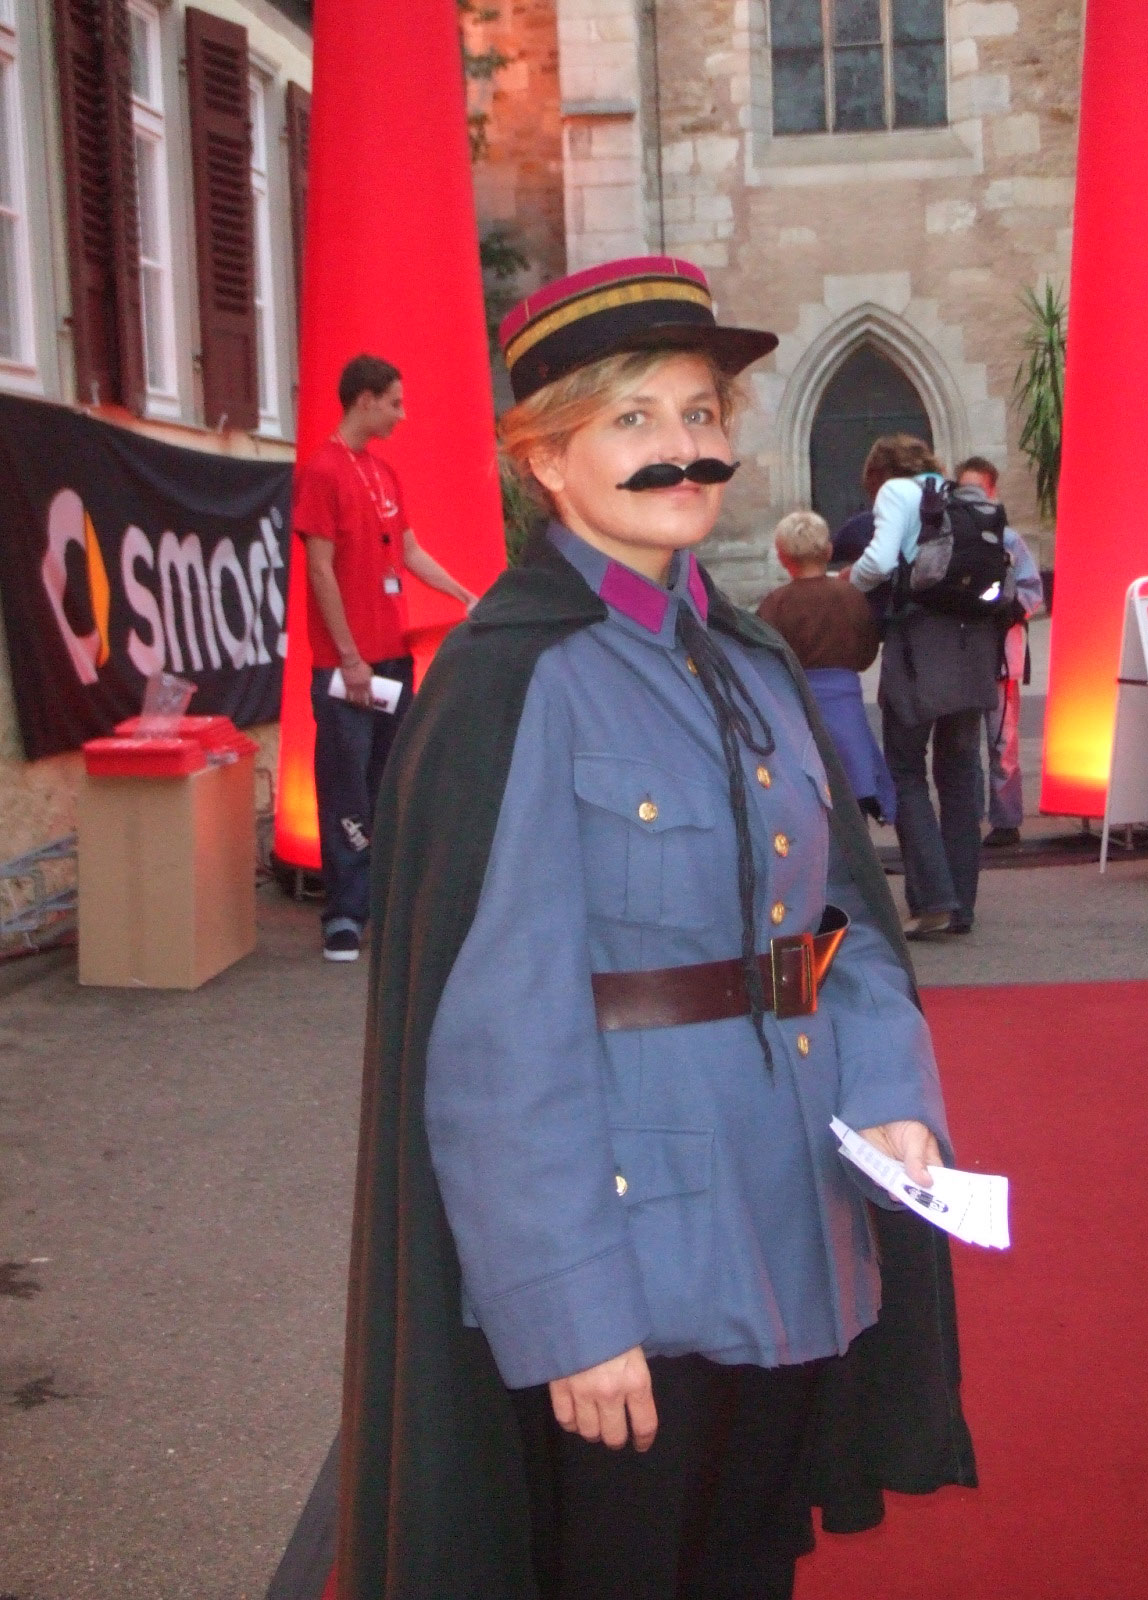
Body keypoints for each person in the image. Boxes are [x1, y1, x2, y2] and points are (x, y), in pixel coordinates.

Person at [335, 259, 974, 1600]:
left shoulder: (750, 664)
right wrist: (570, 1309)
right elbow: (495, 1046)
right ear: (545, 461)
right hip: (632, 1264)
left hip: (795, 1221)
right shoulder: (514, 683)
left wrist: (892, 1092)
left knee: (745, 1569)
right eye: (632, 420)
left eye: (698, 413)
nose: (681, 448)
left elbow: (842, 926)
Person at [291, 353, 477, 962]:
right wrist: (348, 657)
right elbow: (320, 570)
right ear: (365, 399)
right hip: (349, 668)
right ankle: (345, 914)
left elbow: (410, 553)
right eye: (395, 402)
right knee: (346, 789)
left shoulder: (384, 472)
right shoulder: (323, 472)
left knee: (394, 784)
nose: (402, 414)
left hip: (394, 660)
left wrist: (463, 595)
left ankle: (393, 905)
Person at [840, 434, 999, 939]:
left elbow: (880, 562)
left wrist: (845, 582)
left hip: (920, 648)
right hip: (971, 646)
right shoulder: (949, 493)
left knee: (906, 771)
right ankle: (962, 904)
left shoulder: (897, 492)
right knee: (960, 774)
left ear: (877, 473)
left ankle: (933, 900)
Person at [757, 509, 895, 823]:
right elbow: (866, 652)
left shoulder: (775, 603)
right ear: (829, 551)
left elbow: (765, 660)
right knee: (853, 786)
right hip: (846, 704)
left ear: (782, 557)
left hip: (797, 706)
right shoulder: (852, 596)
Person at [955, 456, 1045, 848]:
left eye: (978, 491)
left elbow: (1032, 591)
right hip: (963, 656)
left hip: (1001, 657)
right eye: (965, 491)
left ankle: (1006, 821)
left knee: (1002, 742)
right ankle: (967, 818)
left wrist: (1008, 610)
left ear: (993, 492)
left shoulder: (1009, 541)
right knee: (962, 744)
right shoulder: (951, 539)